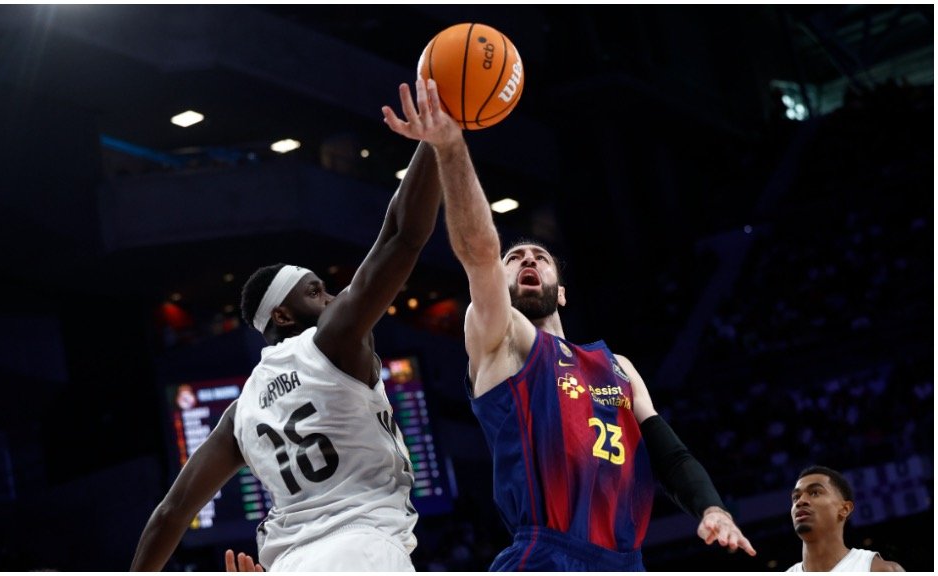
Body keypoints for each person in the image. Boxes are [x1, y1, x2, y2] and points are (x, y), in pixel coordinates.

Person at [385, 87, 757, 571]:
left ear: (561, 291)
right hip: (547, 553)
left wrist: (711, 507)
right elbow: (478, 251)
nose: (527, 260)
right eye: (514, 258)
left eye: (539, 256)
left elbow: (668, 454)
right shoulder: (502, 339)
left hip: (623, 561)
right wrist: (451, 147)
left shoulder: (617, 367)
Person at [131, 77, 453, 572]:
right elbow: (403, 237)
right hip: (362, 547)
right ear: (282, 314)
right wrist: (437, 140)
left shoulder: (240, 414)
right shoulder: (335, 340)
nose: (329, 297)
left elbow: (170, 515)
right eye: (314, 290)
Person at [787, 465, 904, 572]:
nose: (800, 501)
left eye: (815, 493)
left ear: (845, 509)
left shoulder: (880, 570)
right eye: (796, 497)